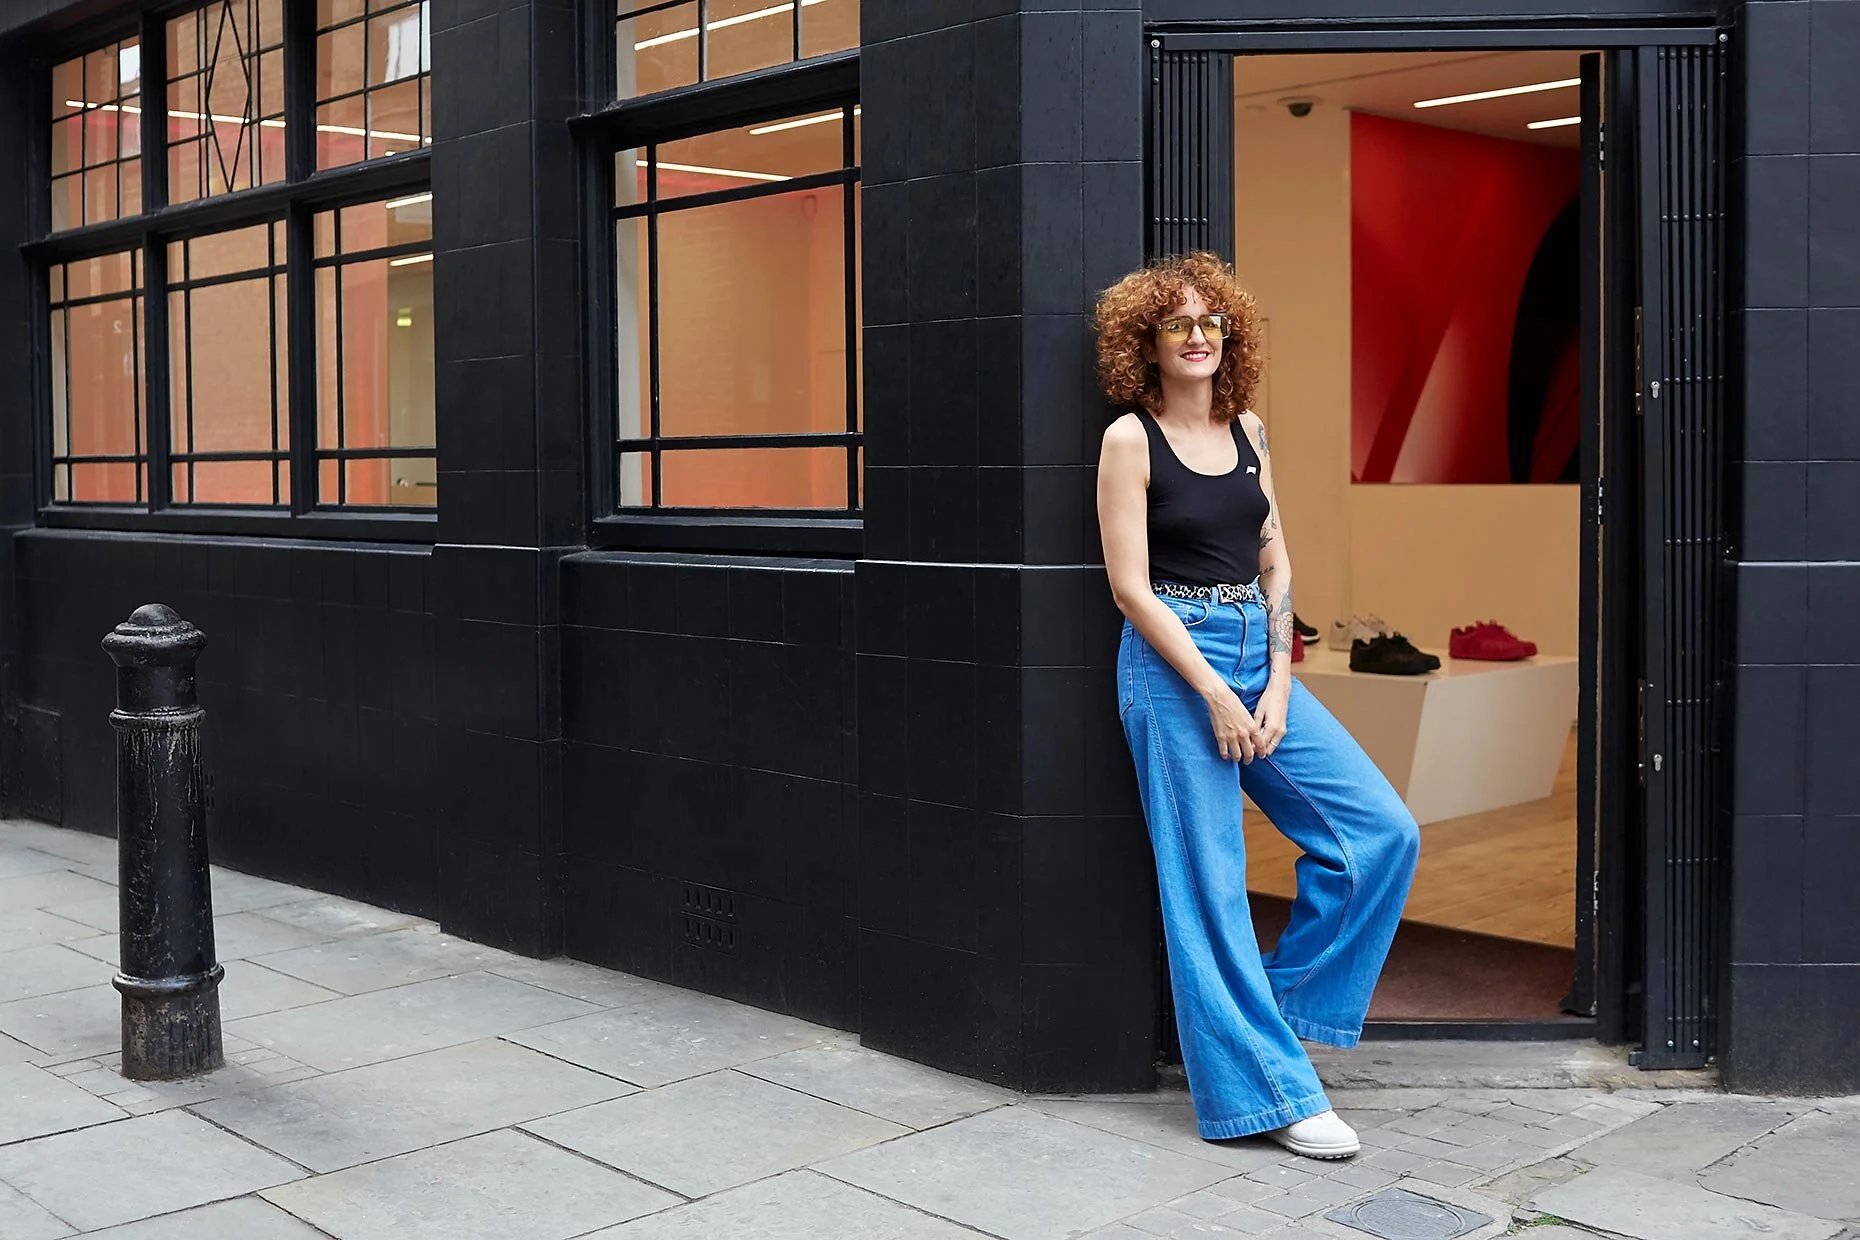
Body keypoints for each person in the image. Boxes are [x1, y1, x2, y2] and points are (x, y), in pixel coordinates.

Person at [1092, 252, 1420, 1160]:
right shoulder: (1130, 441)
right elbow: (1129, 588)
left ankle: (1262, 1017)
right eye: (1178, 323)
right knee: (1210, 884)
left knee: (1378, 835)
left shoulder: (1249, 431)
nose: (1198, 337)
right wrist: (1214, 693)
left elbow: (1275, 560)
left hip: (1255, 648)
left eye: (1212, 322)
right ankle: (1269, 1092)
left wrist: (1276, 683)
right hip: (1173, 663)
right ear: (1147, 343)